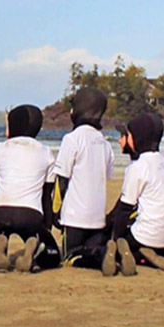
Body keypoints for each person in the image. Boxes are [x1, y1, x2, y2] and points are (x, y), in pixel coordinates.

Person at [0, 104, 61, 273]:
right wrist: (46, 230)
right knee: (52, 257)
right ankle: (35, 249)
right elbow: (47, 196)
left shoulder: (0, 148)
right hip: (29, 214)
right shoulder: (45, 152)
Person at [107, 112, 164, 275]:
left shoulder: (138, 167)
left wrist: (116, 239)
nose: (120, 140)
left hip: (146, 237)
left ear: (136, 138)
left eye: (124, 135)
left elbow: (124, 210)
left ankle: (140, 254)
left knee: (108, 236)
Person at [52, 87, 114, 270]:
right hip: (98, 219)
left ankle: (98, 257)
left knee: (70, 256)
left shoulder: (72, 139)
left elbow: (61, 180)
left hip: (74, 218)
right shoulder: (105, 143)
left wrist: (56, 210)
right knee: (90, 251)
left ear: (78, 110)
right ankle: (104, 254)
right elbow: (106, 175)